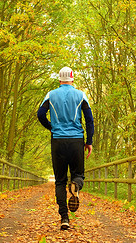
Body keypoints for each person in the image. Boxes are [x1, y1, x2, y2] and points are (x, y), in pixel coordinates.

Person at [37, 66, 94, 230]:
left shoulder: (51, 95)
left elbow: (40, 115)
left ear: (59, 79)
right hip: (76, 141)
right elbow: (89, 120)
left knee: (60, 181)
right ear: (72, 78)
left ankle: (64, 218)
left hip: (58, 141)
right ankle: (76, 184)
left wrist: (51, 127)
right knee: (79, 174)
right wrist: (88, 142)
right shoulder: (80, 95)